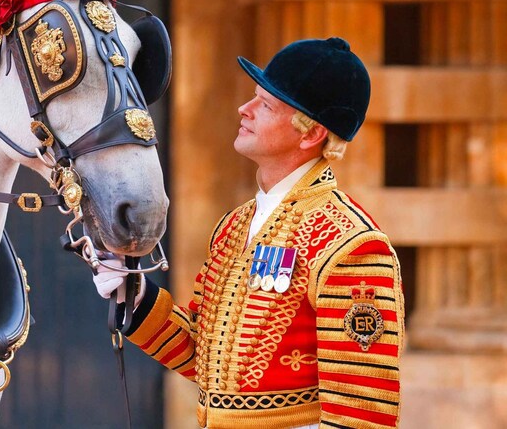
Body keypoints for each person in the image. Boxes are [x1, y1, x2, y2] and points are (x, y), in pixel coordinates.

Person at [94, 37, 404, 429]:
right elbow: (204, 360)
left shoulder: (351, 245)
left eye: (267, 104)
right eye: (255, 96)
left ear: (310, 134)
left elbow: (360, 416)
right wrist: (136, 296)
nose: (245, 109)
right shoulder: (234, 225)